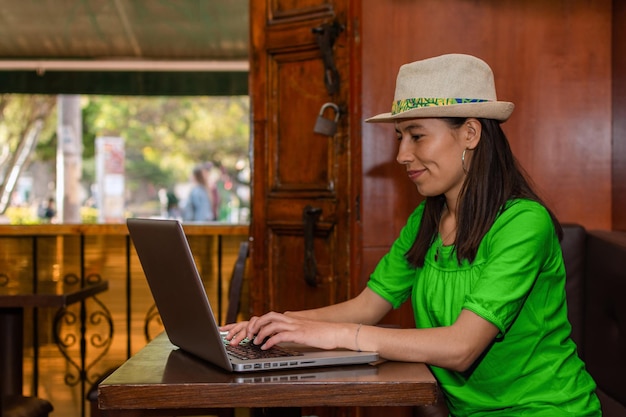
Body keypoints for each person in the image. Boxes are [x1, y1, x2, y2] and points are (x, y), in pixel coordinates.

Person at [221, 54, 601, 416]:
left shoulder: (523, 223)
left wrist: (335, 334)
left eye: (417, 136)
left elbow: (460, 347)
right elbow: (368, 307)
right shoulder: (427, 219)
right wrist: (274, 326)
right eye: (400, 136)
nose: (402, 154)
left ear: (470, 133)